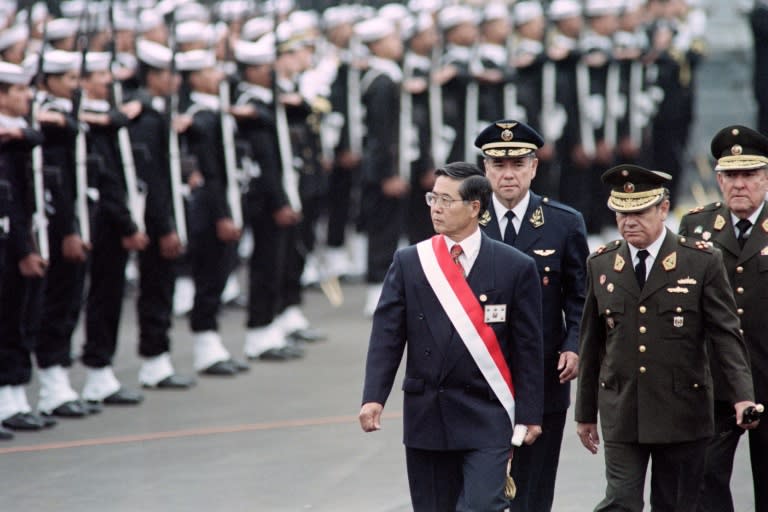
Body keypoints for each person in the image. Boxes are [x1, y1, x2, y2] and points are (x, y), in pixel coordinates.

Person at [359, 161, 544, 511]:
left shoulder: (515, 266)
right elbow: (387, 336)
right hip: (428, 412)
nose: (435, 208)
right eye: (432, 198)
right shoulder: (411, 262)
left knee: (482, 505)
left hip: (487, 413)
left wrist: (530, 413)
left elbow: (528, 347)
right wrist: (373, 397)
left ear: (475, 207)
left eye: (446, 200)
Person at [575, 164, 759, 512]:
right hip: (623, 408)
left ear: (663, 208)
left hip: (681, 412)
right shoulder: (601, 264)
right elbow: (592, 341)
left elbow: (725, 335)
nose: (629, 221)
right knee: (621, 500)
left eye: (639, 212)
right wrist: (585, 412)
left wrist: (741, 397)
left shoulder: (701, 261)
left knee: (673, 504)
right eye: (621, 213)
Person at [475, 119, 589, 512]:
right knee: (481, 489)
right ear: (485, 169)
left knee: (534, 490)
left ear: (534, 167)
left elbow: (580, 295)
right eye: (498, 165)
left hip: (543, 373)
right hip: (479, 376)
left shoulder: (563, 222)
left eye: (518, 164)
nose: (508, 174)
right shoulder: (467, 222)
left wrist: (573, 344)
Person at [678, 125, 768, 512]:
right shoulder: (696, 227)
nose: (740, 184)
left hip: (767, 376)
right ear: (718, 178)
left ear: (765, 177)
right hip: (715, 383)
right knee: (706, 479)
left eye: (749, 174)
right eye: (731, 175)